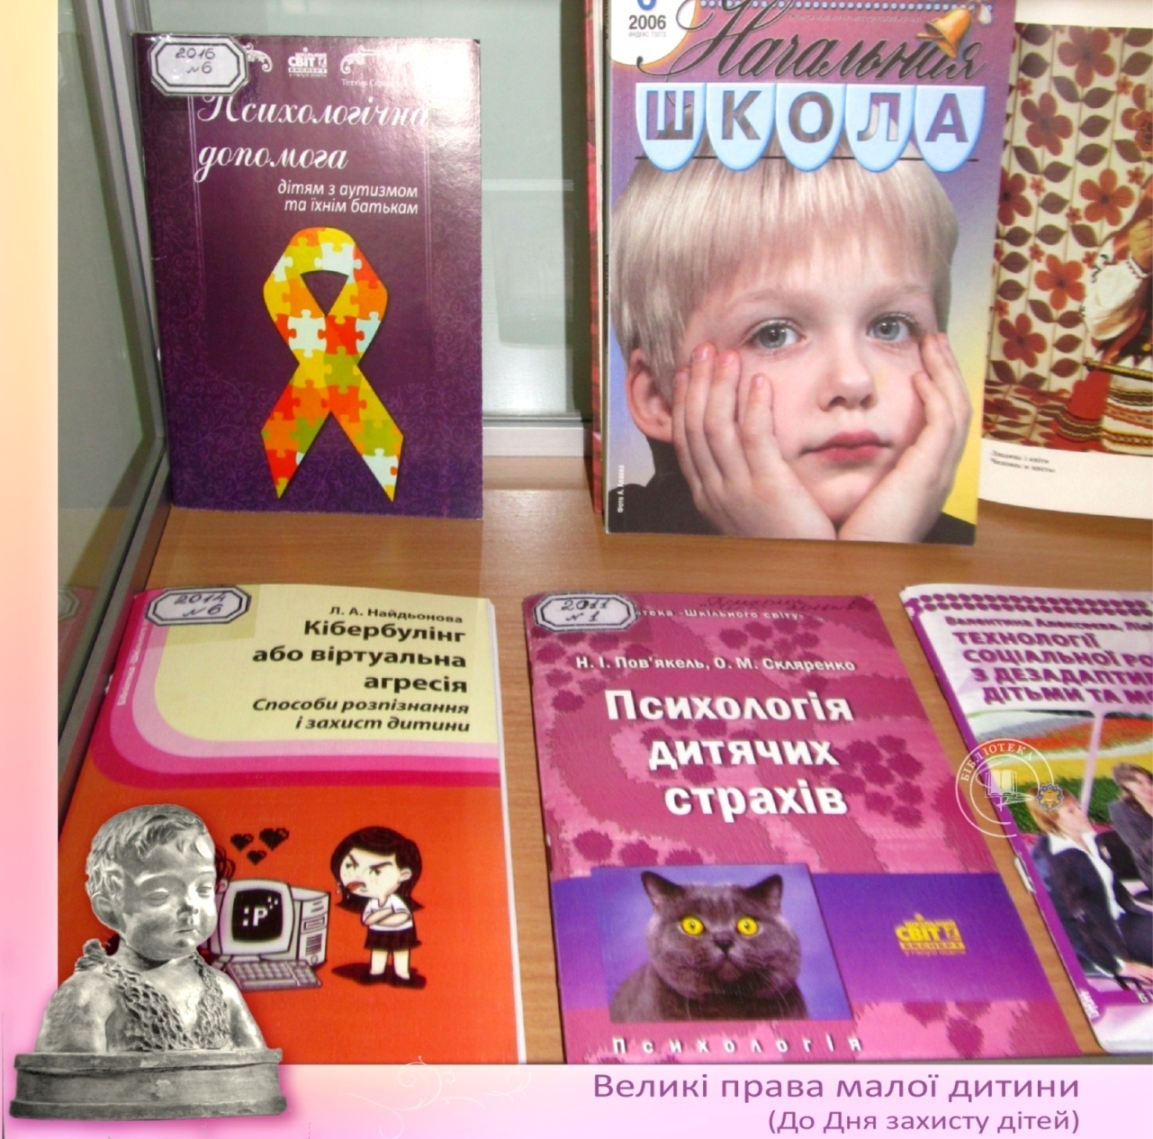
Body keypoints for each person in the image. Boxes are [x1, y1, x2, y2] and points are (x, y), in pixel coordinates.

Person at [609, 140, 973, 542]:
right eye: (774, 335)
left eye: (890, 327)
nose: (853, 381)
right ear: (658, 399)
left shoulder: (968, 557)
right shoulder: (622, 543)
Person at [34, 804, 267, 1053]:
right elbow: (65, 1075)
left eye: (203, 889)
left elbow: (260, 1067)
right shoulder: (89, 994)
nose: (191, 905)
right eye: (161, 895)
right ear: (108, 908)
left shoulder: (222, 989)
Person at [1027, 791, 1153, 985]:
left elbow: (1111, 892)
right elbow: (1064, 922)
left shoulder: (1089, 839)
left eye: (1078, 806)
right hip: (1102, 942)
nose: (1081, 813)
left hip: (1124, 920)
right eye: (1071, 811)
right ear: (1052, 819)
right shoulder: (1052, 861)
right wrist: (1117, 965)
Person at [331, 826, 425, 988]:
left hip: (401, 933)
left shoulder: (395, 900)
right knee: (378, 953)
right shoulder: (372, 903)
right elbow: (367, 920)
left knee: (401, 955)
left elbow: (402, 916)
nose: (359, 877)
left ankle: (402, 975)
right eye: (350, 866)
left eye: (375, 872)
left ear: (404, 875)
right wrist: (384, 914)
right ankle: (376, 973)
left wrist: (379, 917)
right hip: (377, 932)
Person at [1110, 764, 1153, 892]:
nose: (1148, 787)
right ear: (1125, 786)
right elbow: (1141, 851)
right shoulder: (1121, 810)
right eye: (1139, 783)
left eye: (1149, 782)